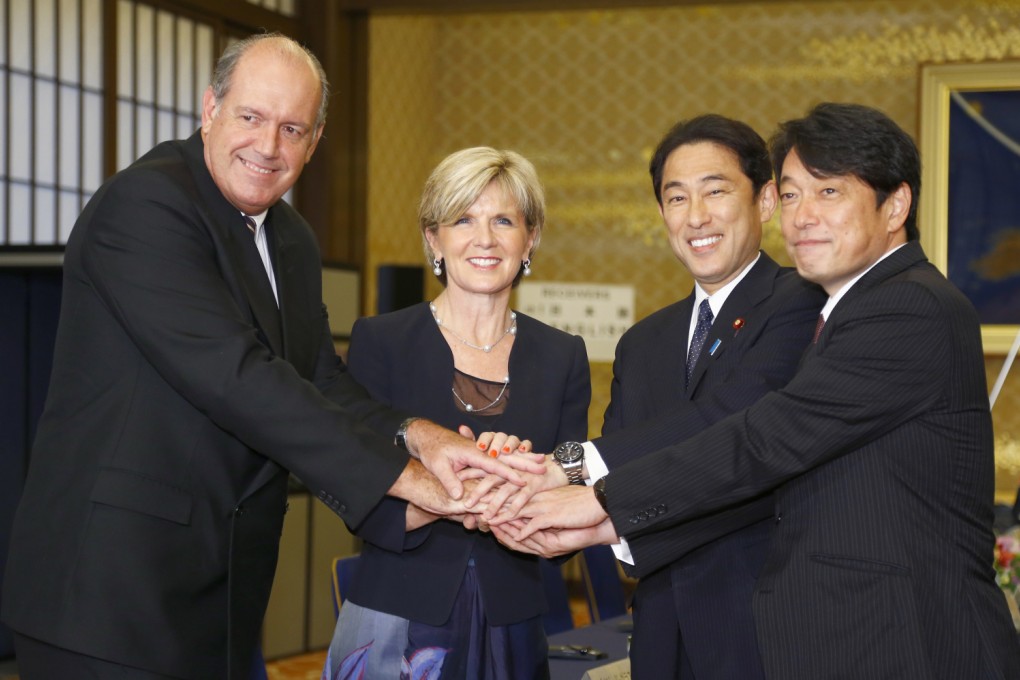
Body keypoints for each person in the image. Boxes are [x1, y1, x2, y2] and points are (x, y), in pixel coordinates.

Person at [0, 34, 539, 680]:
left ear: (314, 142)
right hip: (107, 595)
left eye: (292, 129)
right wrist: (414, 484)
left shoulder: (291, 239)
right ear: (209, 110)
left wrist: (422, 438)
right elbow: (241, 381)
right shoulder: (146, 206)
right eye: (251, 118)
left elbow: (319, 380)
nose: (267, 147)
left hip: (220, 596)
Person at [491, 102, 1020, 678]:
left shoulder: (905, 307)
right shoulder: (846, 310)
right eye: (793, 195)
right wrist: (577, 507)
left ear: (895, 205)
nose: (802, 217)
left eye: (829, 193)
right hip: (820, 636)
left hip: (910, 642)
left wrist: (594, 500)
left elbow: (765, 439)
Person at [323, 147, 590, 680]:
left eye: (503, 220)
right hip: (395, 619)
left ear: (530, 237)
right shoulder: (382, 341)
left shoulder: (563, 354)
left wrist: (526, 478)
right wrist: (452, 493)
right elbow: (355, 493)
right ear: (433, 238)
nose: (484, 238)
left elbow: (575, 476)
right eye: (463, 219)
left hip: (513, 623)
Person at [591, 115, 824, 679]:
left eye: (715, 191)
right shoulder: (642, 343)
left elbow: (732, 427)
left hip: (761, 631)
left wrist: (571, 470)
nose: (695, 217)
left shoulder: (805, 304)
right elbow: (619, 465)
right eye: (676, 198)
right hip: (658, 630)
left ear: (765, 200)